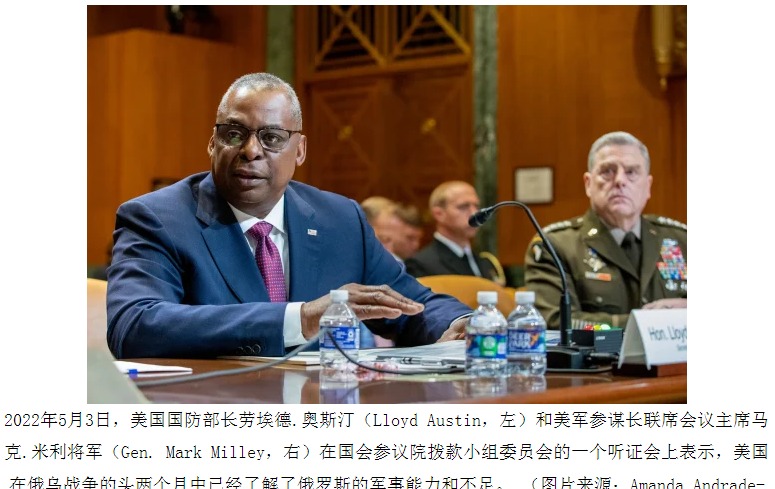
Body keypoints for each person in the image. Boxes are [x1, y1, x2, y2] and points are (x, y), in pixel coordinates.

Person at [106, 73, 471, 359]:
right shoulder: (158, 218)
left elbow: (410, 304)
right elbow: (134, 326)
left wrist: (466, 323)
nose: (251, 151)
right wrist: (301, 317)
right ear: (212, 143)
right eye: (234, 134)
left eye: (272, 138)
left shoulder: (340, 220)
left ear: (300, 150)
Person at [524, 131, 687, 330]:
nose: (620, 180)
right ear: (588, 184)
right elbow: (556, 322)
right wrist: (648, 323)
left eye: (631, 172)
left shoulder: (681, 239)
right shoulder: (555, 246)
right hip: (599, 352)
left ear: (648, 186)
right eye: (607, 171)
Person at [405, 180, 503, 284]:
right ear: (439, 214)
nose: (474, 213)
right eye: (463, 206)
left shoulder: (485, 261)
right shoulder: (420, 264)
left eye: (476, 206)